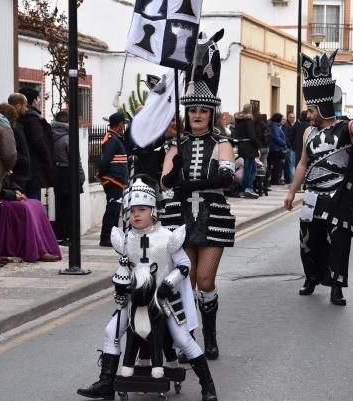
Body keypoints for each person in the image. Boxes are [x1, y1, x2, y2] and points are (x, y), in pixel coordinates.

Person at [77, 178, 219, 401]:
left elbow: (184, 266)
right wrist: (122, 289)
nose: (136, 215)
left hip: (165, 300)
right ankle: (106, 383)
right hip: (134, 301)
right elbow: (124, 270)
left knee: (182, 339)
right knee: (110, 330)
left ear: (153, 211)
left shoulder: (168, 237)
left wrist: (168, 284)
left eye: (141, 209)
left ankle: (208, 387)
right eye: (132, 210)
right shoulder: (126, 240)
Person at [284, 51, 353, 306]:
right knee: (307, 239)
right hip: (312, 195)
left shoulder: (346, 128)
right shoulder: (308, 133)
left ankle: (336, 287)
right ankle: (311, 277)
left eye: (311, 110)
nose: (308, 115)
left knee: (338, 241)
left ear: (323, 107)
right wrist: (291, 192)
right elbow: (303, 164)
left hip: (338, 195)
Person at [161, 35, 235, 361]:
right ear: (187, 113)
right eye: (193, 110)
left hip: (213, 216)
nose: (197, 115)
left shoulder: (222, 144)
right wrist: (174, 170)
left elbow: (227, 179)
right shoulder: (176, 146)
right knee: (186, 281)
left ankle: (211, 334)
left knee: (205, 280)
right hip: (181, 217)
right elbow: (165, 183)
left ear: (212, 113)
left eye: (204, 110)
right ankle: (188, 338)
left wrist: (196, 183)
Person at [52, 109, 85, 246]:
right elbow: (75, 160)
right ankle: (69, 235)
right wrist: (81, 176)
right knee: (71, 206)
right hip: (69, 173)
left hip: (57, 172)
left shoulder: (51, 135)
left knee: (60, 205)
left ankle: (60, 235)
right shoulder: (68, 137)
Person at [98, 112, 129, 247]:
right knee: (112, 210)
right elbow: (105, 161)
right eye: (123, 123)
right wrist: (101, 176)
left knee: (115, 211)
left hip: (117, 181)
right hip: (113, 180)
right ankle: (106, 238)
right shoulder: (112, 139)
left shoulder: (116, 138)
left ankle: (113, 238)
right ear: (120, 123)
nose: (124, 126)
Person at [18, 87, 54, 200]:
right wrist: (48, 159)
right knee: (33, 201)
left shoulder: (18, 118)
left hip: (21, 165)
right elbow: (39, 142)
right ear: (34, 100)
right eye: (38, 99)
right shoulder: (33, 119)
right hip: (34, 167)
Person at [233, 104, 259, 198]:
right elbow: (252, 135)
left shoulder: (238, 120)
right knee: (250, 169)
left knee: (251, 169)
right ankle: (246, 189)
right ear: (250, 110)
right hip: (250, 146)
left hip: (242, 145)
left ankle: (246, 189)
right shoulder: (249, 120)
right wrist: (257, 144)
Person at [7, 93, 32, 191]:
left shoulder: (18, 123)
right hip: (17, 174)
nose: (26, 109)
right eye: (25, 105)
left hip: (21, 173)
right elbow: (11, 149)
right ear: (18, 106)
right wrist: (25, 161)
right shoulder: (11, 125)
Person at [268, 112, 287, 185]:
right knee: (277, 165)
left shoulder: (273, 125)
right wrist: (284, 143)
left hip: (274, 148)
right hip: (276, 149)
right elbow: (276, 137)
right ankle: (276, 180)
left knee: (275, 165)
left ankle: (274, 180)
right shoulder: (275, 127)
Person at [253, 113, 270, 188]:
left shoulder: (255, 126)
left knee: (257, 164)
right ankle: (263, 180)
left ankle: (257, 181)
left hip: (259, 147)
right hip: (266, 147)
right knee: (264, 163)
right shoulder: (266, 125)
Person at [282, 111, 296, 183]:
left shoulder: (295, 125)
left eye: (293, 117)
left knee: (290, 163)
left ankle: (289, 179)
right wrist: (289, 145)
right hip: (289, 147)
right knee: (289, 164)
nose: (292, 119)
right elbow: (285, 136)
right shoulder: (286, 125)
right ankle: (290, 180)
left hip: (293, 147)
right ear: (288, 117)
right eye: (290, 117)